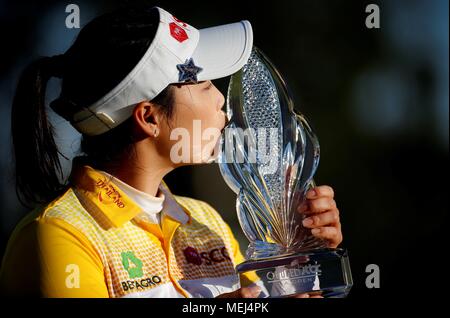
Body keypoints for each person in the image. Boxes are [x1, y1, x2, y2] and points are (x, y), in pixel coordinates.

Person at [0, 5, 342, 298]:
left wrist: (301, 256)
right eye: (205, 84)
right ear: (149, 117)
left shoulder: (206, 221)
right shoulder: (58, 234)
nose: (221, 99)